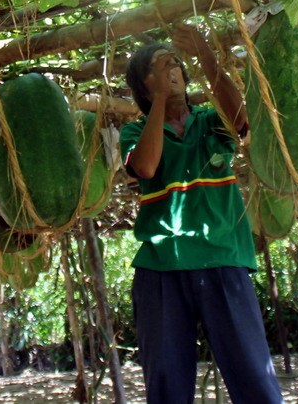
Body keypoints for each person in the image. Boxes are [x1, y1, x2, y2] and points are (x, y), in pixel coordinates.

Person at [119, 24, 282, 403]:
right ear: (143, 86)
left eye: (173, 64)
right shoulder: (135, 131)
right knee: (167, 385)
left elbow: (241, 119)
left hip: (223, 259)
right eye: (157, 69)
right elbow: (145, 167)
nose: (169, 71)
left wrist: (205, 54)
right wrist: (158, 100)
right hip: (160, 269)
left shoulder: (211, 121)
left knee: (254, 378)